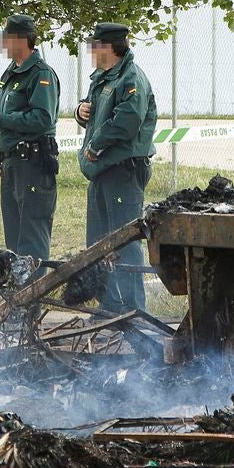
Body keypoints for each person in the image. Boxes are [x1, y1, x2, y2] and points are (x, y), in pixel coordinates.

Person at [76, 23, 158, 313]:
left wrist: (96, 145)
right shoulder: (102, 76)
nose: (91, 50)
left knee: (125, 244)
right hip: (101, 172)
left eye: (94, 44)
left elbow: (127, 120)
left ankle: (134, 312)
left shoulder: (131, 78)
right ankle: (109, 307)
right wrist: (81, 111)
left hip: (122, 171)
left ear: (108, 47)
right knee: (99, 243)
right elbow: (95, 111)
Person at [0, 14, 61, 265]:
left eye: (7, 38)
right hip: (11, 164)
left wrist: (2, 120)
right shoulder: (11, 72)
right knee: (13, 238)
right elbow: (12, 111)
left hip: (33, 164)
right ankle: (17, 299)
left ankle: (32, 300)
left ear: (22, 40)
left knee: (31, 237)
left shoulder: (40, 73)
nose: (3, 44)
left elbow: (43, 118)